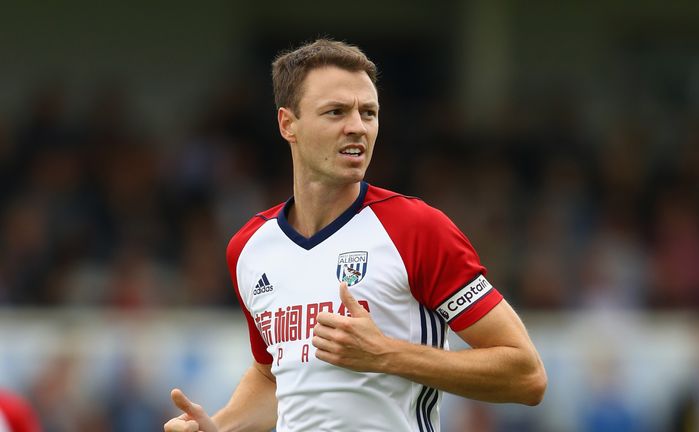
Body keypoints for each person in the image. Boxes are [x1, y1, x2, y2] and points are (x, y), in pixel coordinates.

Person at [164, 38, 547, 432]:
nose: (357, 127)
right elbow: (273, 378)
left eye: (368, 112)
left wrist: (386, 355)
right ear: (287, 124)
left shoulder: (415, 228)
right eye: (336, 112)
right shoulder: (249, 248)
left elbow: (526, 375)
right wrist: (217, 426)